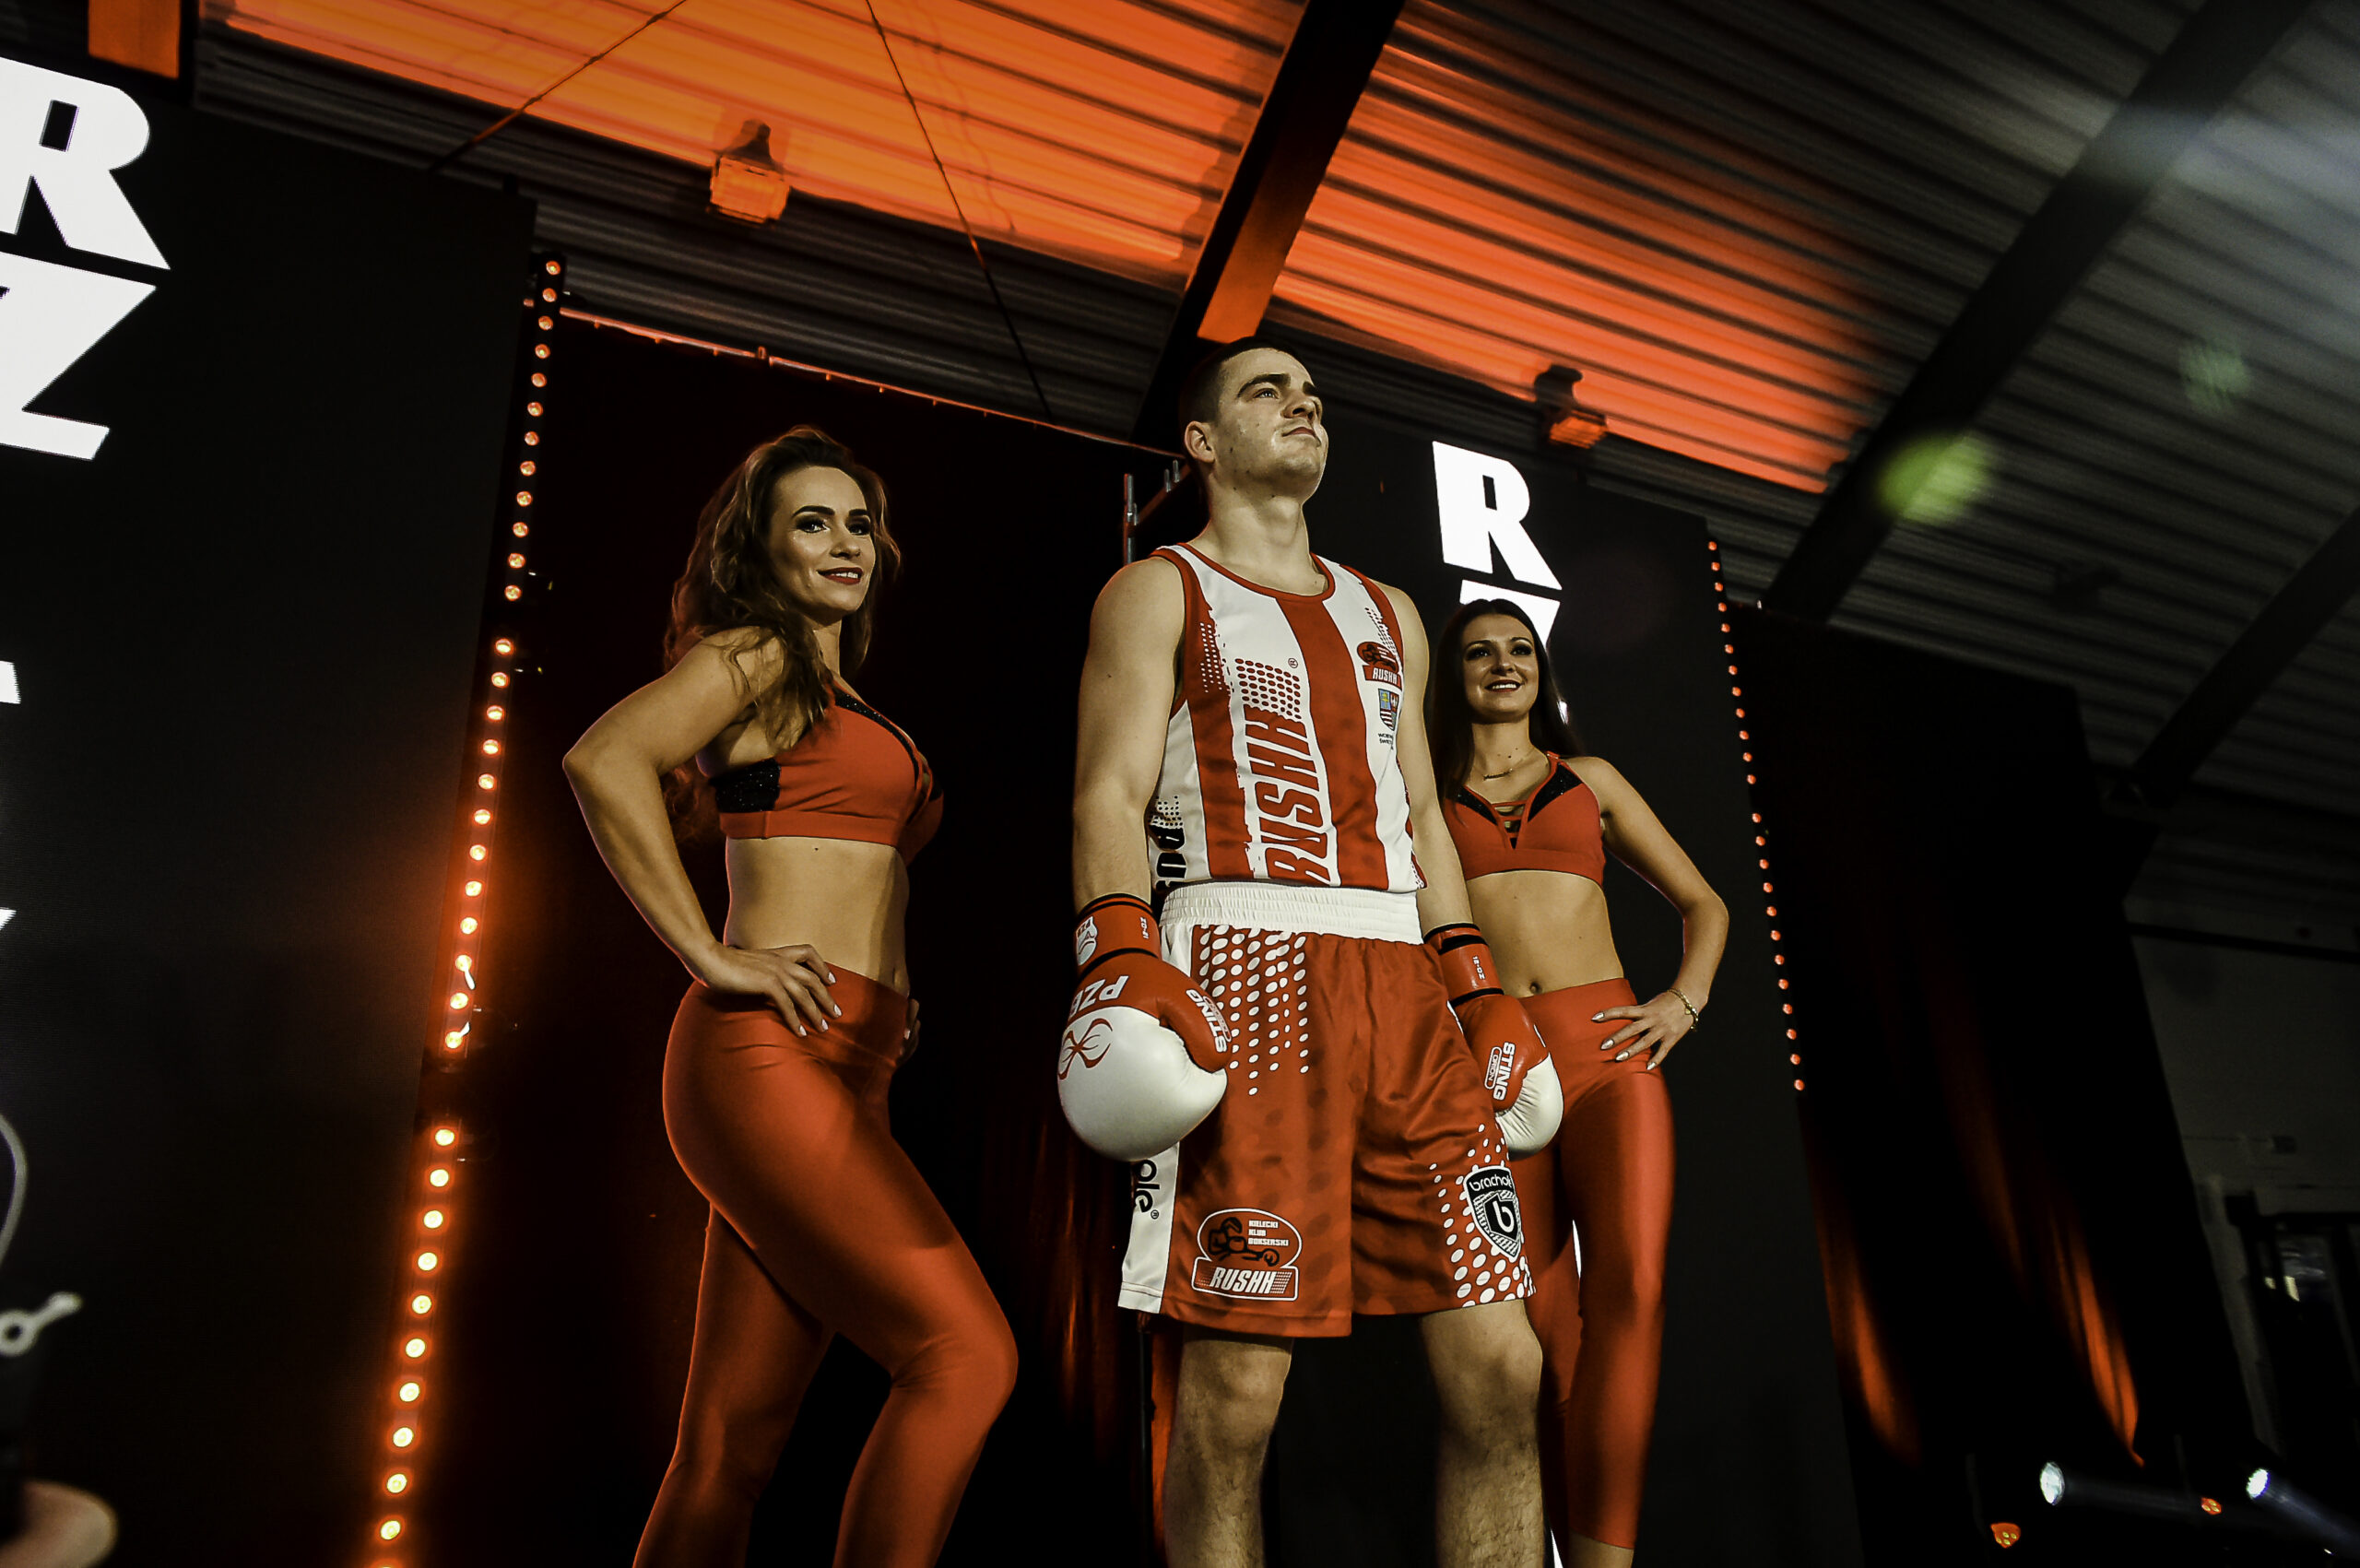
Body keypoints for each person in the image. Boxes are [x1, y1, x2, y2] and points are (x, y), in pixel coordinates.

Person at [1068, 340, 1558, 1568]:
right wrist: (1115, 948)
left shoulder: (1389, 611)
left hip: (1401, 978)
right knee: (1238, 1392)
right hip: (1244, 964)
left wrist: (1474, 982)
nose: (1304, 404)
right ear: (1201, 442)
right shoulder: (1158, 589)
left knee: (1503, 1363)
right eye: (1266, 390)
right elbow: (1107, 791)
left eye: (1312, 394)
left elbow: (1421, 810)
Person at [563, 428, 1016, 1568]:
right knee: (965, 1357)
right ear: (759, 547)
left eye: (859, 522)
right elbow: (603, 758)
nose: (845, 542)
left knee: (727, 1450)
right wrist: (708, 957)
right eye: (812, 522)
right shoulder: (758, 653)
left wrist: (888, 999)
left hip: (850, 1068)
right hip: (766, 1056)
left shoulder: (838, 691)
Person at [1430, 599, 1728, 1567]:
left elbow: (1706, 903)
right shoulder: (1425, 796)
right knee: (1537, 1332)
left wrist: (1683, 1002)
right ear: (1454, 676)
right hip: (1494, 1081)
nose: (1503, 663)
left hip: (1608, 1062)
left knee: (1633, 1290)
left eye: (1520, 648)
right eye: (1480, 651)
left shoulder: (1587, 780)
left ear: (1540, 670)